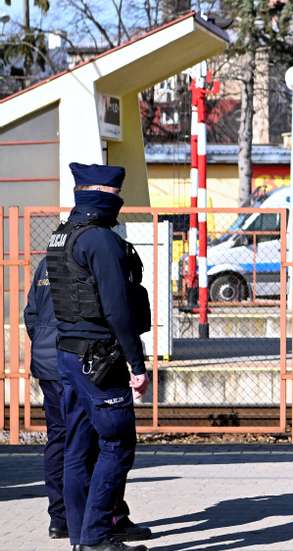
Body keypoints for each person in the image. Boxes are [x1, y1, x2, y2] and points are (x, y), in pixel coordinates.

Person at [46, 163, 152, 551]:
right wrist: (137, 365)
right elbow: (117, 310)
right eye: (114, 195)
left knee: (78, 447)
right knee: (118, 442)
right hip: (100, 359)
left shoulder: (61, 237)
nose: (118, 202)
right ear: (104, 196)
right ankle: (96, 536)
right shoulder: (101, 241)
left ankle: (79, 535)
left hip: (69, 356)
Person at [24, 258, 151, 544]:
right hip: (79, 358)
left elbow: (31, 314)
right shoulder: (90, 259)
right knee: (98, 444)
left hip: (48, 361)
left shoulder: (46, 264)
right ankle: (107, 518)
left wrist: (43, 345)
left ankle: (61, 520)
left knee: (60, 440)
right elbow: (110, 308)